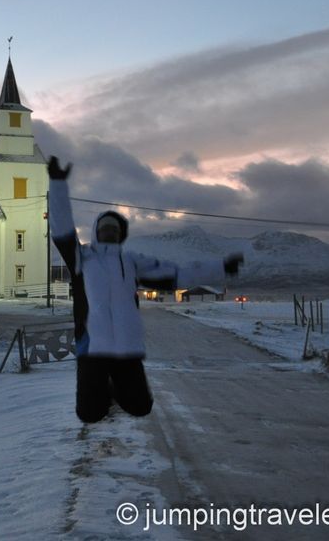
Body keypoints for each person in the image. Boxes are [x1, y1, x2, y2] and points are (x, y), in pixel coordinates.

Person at [47, 155, 243, 423]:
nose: (109, 233)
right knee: (89, 415)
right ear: (95, 232)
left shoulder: (132, 262)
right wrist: (58, 184)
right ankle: (100, 395)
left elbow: (177, 273)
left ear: (121, 235)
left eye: (114, 230)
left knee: (140, 407)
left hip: (127, 347)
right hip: (93, 348)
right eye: (104, 228)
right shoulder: (82, 258)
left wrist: (220, 268)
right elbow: (61, 228)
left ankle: (113, 391)